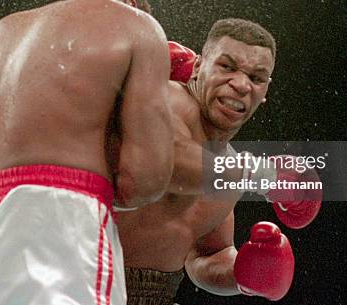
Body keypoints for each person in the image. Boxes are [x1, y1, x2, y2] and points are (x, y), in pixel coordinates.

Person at [0, 0, 174, 305]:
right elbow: (144, 180)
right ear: (133, 5)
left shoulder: (0, 32)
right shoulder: (137, 24)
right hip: (55, 220)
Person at [117, 19, 321, 304]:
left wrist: (244, 275)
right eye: (227, 67)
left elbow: (205, 256)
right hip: (75, 283)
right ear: (199, 66)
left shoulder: (229, 169)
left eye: (256, 77)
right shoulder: (163, 98)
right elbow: (166, 162)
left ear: (265, 92)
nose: (241, 85)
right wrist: (265, 176)